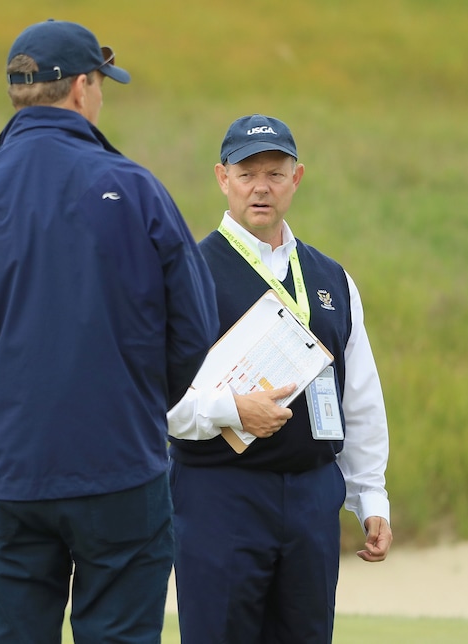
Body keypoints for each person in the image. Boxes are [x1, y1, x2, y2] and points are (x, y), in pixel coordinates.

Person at [0, 19, 219, 643]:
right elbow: (195, 328)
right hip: (119, 467)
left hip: (5, 470)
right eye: (101, 82)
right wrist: (140, 405)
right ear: (81, 87)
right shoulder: (135, 188)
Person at [167, 114, 392, 643]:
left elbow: (359, 395)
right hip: (219, 496)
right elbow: (158, 401)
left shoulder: (331, 278)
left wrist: (371, 497)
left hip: (313, 496)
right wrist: (232, 411)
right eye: (247, 174)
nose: (261, 187)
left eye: (275, 172)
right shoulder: (187, 275)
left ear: (297, 178)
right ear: (223, 178)